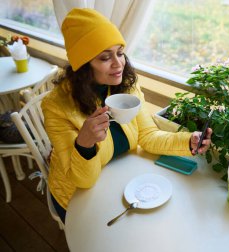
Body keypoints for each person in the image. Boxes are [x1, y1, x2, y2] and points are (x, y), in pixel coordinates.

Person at [41, 8, 212, 223]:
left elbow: (148, 135)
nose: (118, 64)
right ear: (83, 66)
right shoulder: (56, 106)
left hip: (119, 180)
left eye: (120, 53)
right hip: (76, 195)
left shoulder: (126, 86)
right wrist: (84, 144)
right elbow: (83, 180)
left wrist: (189, 140)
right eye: (105, 57)